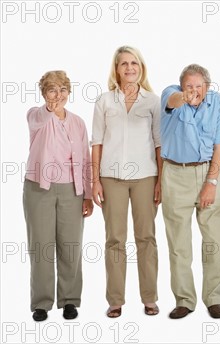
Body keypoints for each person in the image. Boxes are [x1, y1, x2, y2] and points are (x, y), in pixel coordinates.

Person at [91, 46, 162, 318]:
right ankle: (116, 299)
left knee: (146, 238)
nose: (130, 68)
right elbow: (96, 143)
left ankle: (150, 298)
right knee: (114, 239)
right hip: (111, 177)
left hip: (146, 176)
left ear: (141, 67)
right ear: (116, 69)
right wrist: (95, 180)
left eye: (134, 63)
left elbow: (159, 144)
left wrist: (160, 181)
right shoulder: (105, 101)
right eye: (124, 64)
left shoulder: (153, 102)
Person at [160, 64, 220, 319]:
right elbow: (173, 101)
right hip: (176, 173)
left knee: (214, 241)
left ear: (207, 87)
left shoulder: (217, 102)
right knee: (179, 243)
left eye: (199, 86)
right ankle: (184, 300)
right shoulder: (171, 94)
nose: (194, 91)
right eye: (189, 86)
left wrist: (211, 183)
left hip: (209, 172)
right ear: (181, 86)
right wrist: (183, 96)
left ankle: (214, 298)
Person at [23, 70, 94, 321]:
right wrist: (48, 108)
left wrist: (87, 193)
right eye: (52, 89)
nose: (58, 95)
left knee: (70, 247)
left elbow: (85, 159)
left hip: (71, 190)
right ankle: (41, 303)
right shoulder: (37, 115)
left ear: (69, 93)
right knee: (41, 246)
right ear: (44, 93)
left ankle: (69, 301)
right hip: (39, 188)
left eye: (63, 89)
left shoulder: (78, 122)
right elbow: (41, 117)